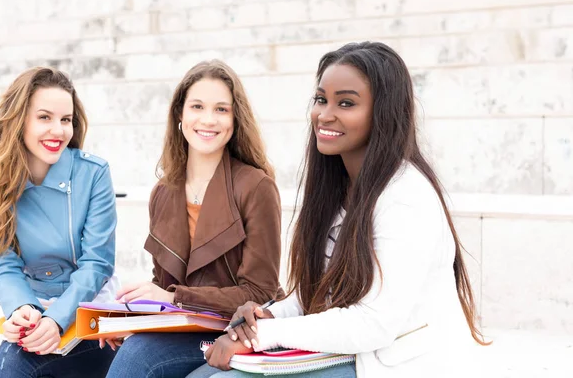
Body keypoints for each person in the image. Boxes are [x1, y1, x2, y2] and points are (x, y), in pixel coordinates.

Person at [188, 42, 490, 378]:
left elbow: (374, 323)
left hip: (392, 364)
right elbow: (312, 295)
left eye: (346, 103)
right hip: (347, 353)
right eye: (321, 100)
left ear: (384, 112)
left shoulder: (407, 198)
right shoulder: (336, 187)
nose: (325, 114)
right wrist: (266, 316)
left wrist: (261, 336)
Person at [103, 60, 284, 378]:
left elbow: (260, 291)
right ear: (180, 115)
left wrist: (175, 297)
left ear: (235, 118)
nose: (208, 120)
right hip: (183, 327)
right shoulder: (163, 191)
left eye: (221, 110)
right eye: (197, 106)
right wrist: (133, 319)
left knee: (137, 359)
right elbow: (163, 283)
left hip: (235, 330)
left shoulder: (256, 187)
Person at [0, 67, 118, 377]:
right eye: (44, 117)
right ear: (20, 120)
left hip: (89, 311)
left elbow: (97, 264)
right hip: (36, 309)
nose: (58, 130)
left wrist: (57, 319)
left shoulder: (93, 173)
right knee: (8, 367)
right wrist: (20, 308)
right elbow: (3, 264)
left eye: (66, 120)